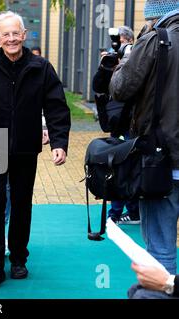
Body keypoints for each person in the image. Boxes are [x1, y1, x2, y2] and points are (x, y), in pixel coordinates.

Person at [0, 11, 71, 287]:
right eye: (5, 34)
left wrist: (59, 143)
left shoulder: (41, 67)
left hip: (26, 147)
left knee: (20, 203)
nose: (11, 38)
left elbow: (56, 107)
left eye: (16, 33)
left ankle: (18, 258)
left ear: (24, 35)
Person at [110, 0, 179, 285]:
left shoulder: (157, 41)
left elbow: (120, 88)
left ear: (153, 16)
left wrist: (126, 59)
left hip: (162, 161)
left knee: (161, 249)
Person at [93, 26, 140, 225]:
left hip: (132, 123)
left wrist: (125, 64)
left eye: (122, 44)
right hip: (116, 123)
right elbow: (98, 88)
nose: (119, 49)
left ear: (130, 43)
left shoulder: (137, 62)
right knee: (116, 166)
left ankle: (128, 211)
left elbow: (130, 88)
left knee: (127, 168)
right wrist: (105, 67)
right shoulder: (111, 62)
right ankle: (117, 211)